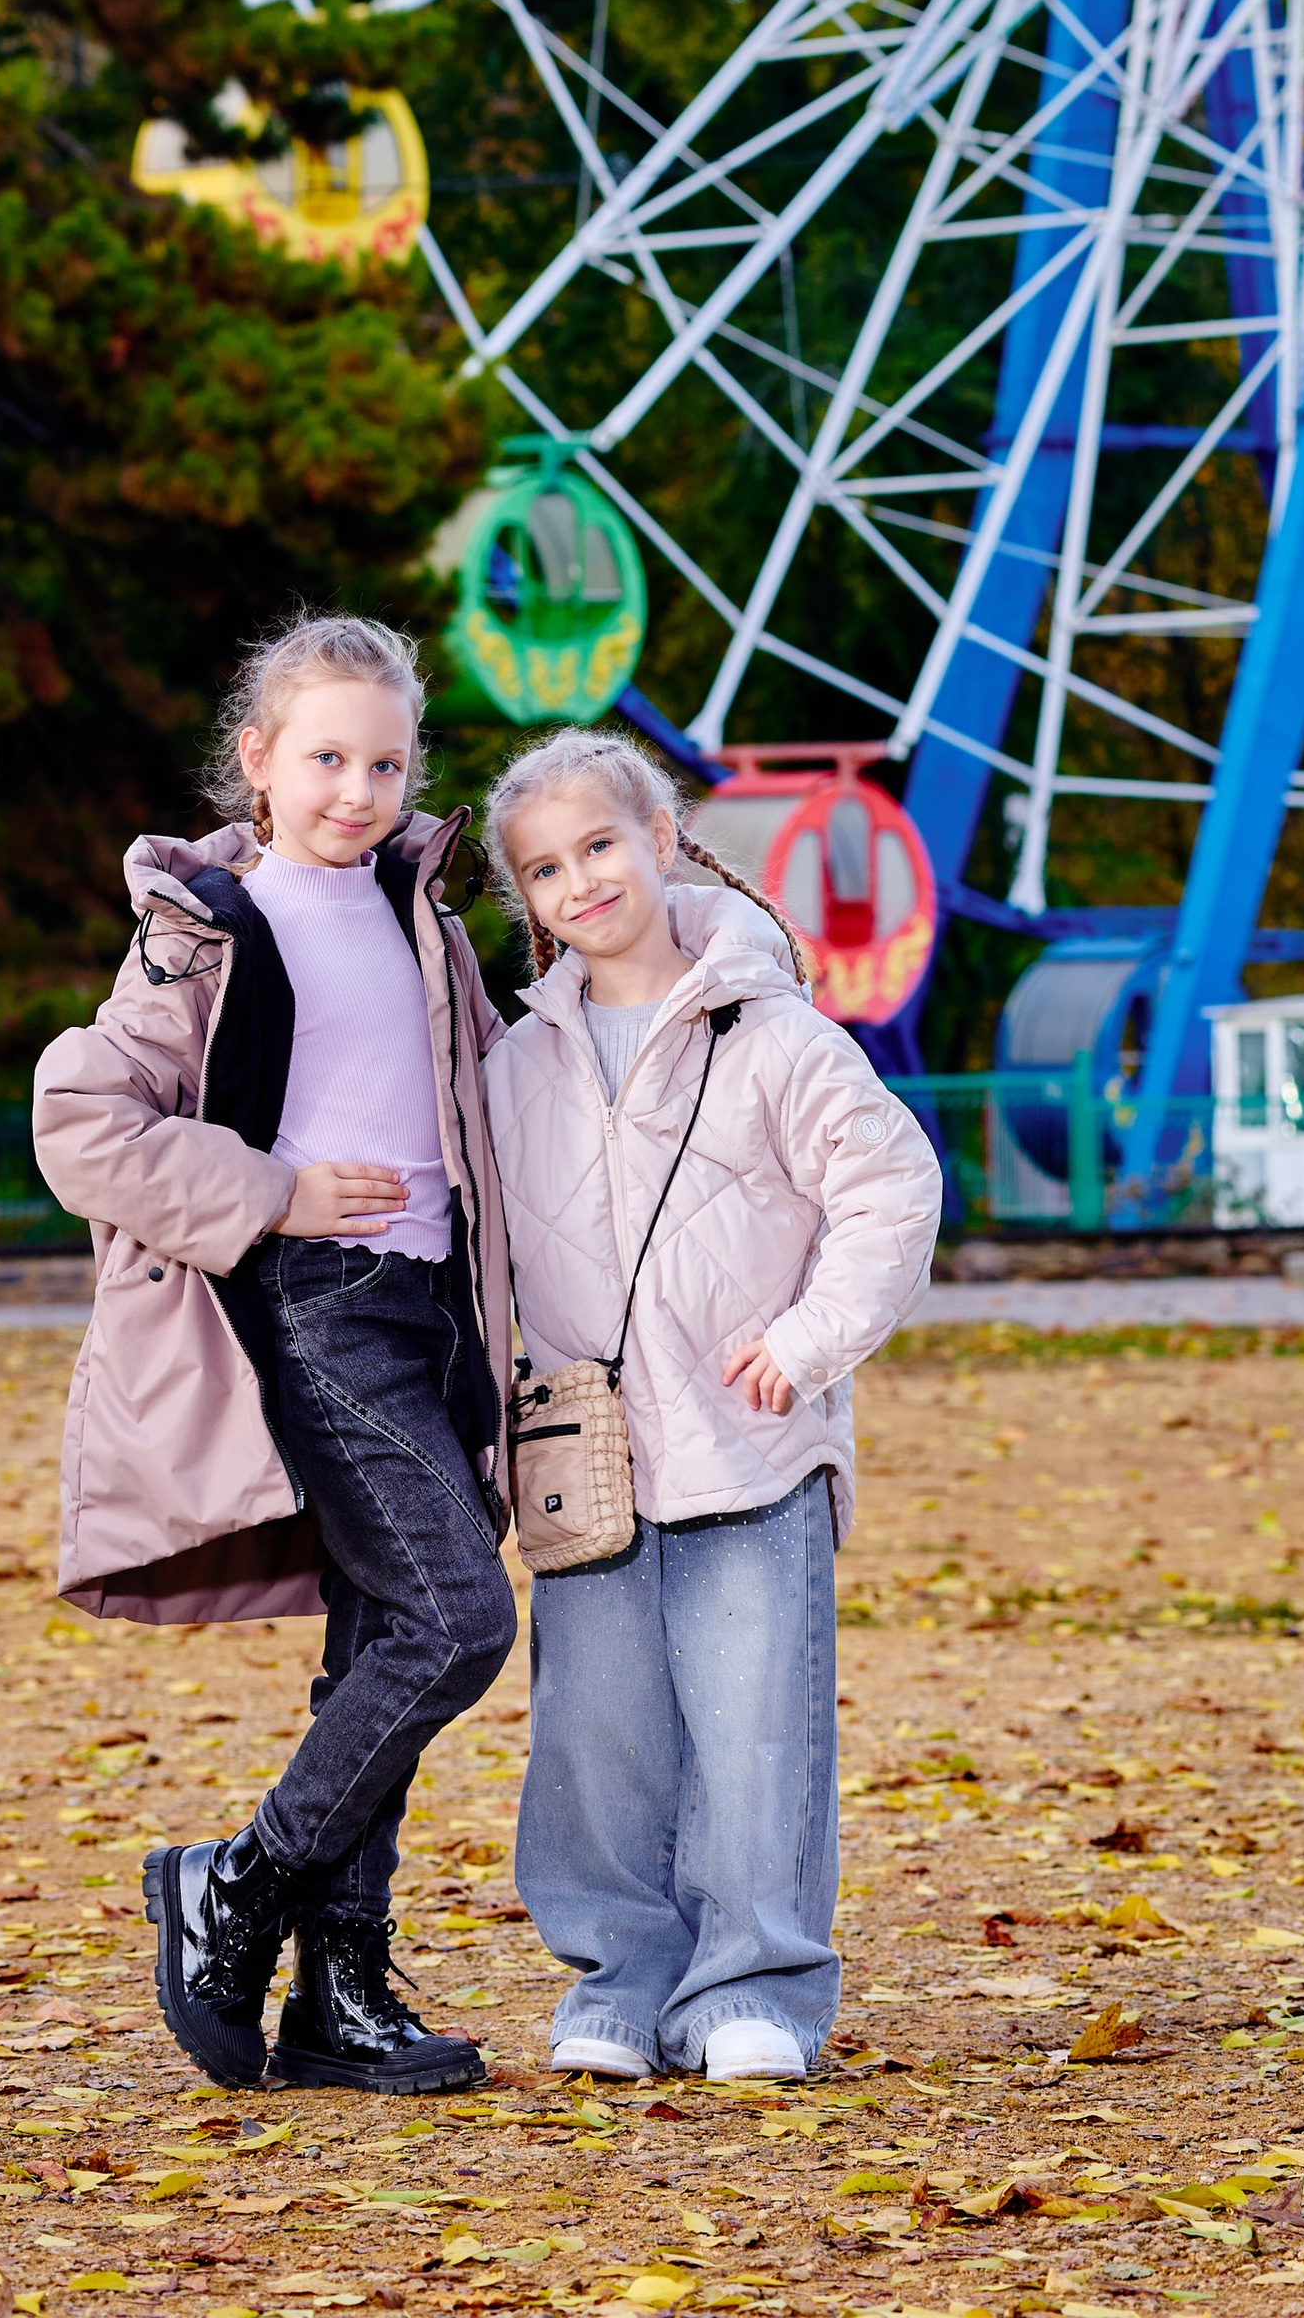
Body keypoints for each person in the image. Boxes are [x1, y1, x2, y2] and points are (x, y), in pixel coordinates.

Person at [32, 610, 515, 2097]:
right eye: (324, 759)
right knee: (458, 1620)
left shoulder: (427, 927)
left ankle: (340, 1995)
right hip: (317, 1303)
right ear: (256, 758)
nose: (357, 791)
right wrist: (272, 1192)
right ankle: (235, 1881)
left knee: (378, 1640)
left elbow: (503, 1101)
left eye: (386, 765)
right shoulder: (207, 930)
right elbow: (80, 1122)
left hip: (437, 1314)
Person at [482, 725, 941, 2084]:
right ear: (527, 897)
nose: (580, 881)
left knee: (754, 1731)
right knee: (598, 1738)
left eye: (600, 845)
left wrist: (809, 1341)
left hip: (749, 1442)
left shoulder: (778, 1033)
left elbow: (893, 1190)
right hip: (588, 1461)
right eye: (545, 869)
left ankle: (755, 1988)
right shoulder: (514, 1065)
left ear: (664, 837)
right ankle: (619, 1986)